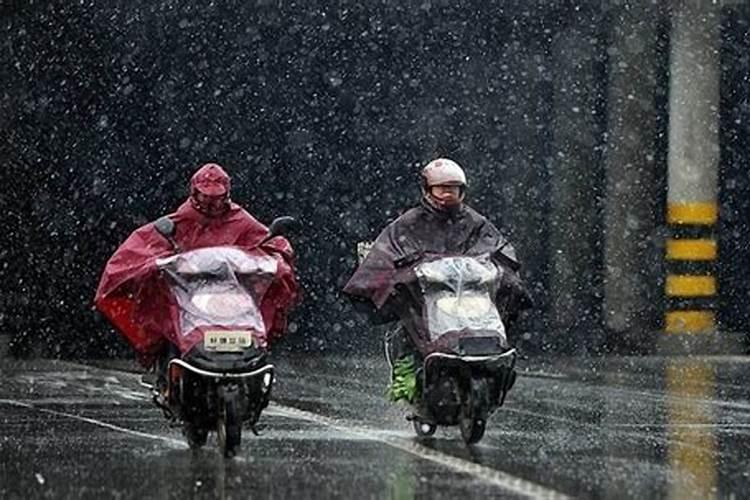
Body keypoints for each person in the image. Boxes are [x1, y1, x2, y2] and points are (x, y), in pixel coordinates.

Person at [94, 163, 299, 379]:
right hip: (189, 297)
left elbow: (266, 242)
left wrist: (276, 260)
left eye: (218, 197)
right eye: (205, 197)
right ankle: (168, 366)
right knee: (165, 316)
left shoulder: (241, 221)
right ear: (194, 193)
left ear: (227, 195)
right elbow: (141, 249)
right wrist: (152, 265)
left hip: (233, 296)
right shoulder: (177, 223)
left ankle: (253, 368)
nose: (211, 203)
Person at [343, 158, 531, 382]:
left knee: (511, 296)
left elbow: (498, 248)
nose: (448, 194)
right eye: (442, 188)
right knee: (406, 307)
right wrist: (397, 276)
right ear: (427, 190)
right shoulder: (409, 223)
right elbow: (387, 252)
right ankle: (414, 368)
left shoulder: (475, 222)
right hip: (428, 296)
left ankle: (499, 358)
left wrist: (504, 272)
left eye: (453, 189)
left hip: (470, 295)